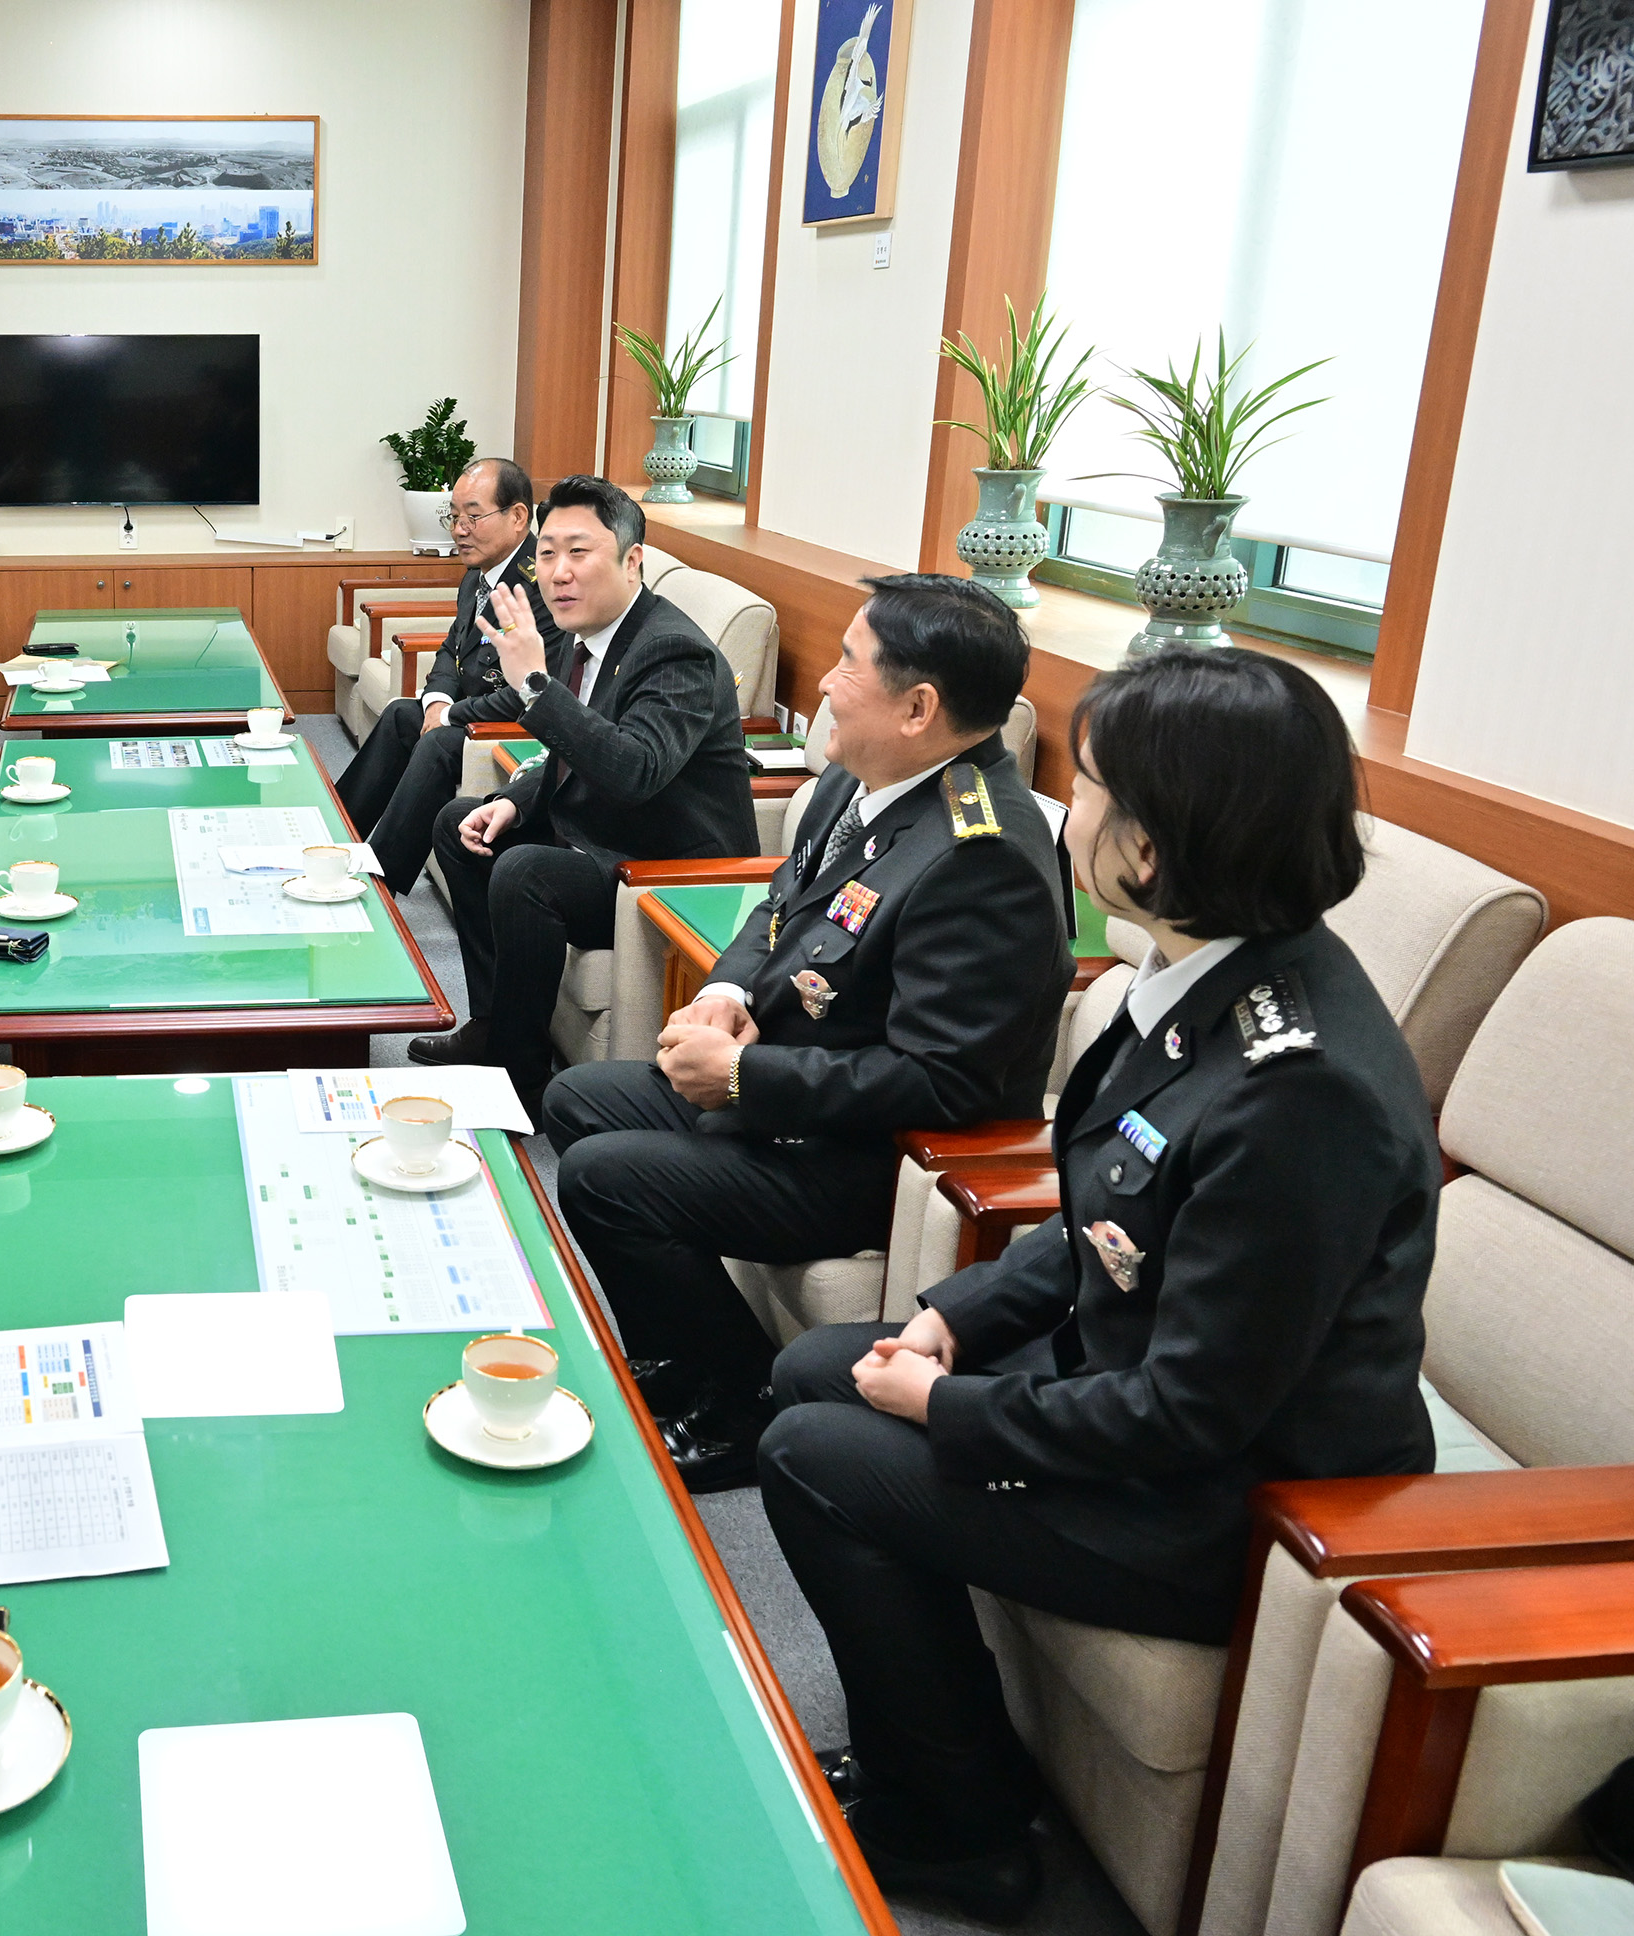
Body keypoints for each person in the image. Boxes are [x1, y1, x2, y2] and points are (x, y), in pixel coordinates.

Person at [757, 648, 1437, 1920]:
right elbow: (1100, 1229)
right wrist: (951, 1322)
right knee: (813, 1365)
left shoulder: (1303, 1091)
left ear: (1157, 847)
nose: (1066, 809)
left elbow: (1194, 1415)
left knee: (808, 1450)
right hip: (1128, 1389)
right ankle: (940, 1742)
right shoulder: (1196, 981)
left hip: (1228, 1504)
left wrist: (945, 1411)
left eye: (1096, 786)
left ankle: (961, 1828)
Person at [542, 573, 1070, 1490]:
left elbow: (945, 1085)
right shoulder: (856, 779)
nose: (823, 682)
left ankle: (745, 1404)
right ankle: (682, 1359)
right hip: (789, 1080)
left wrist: (747, 1077)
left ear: (918, 707)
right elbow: (778, 907)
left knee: (603, 1180)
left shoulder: (981, 856)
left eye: (849, 665)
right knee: (578, 1096)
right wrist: (727, 992)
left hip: (869, 1157)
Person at [410, 474, 757, 1103]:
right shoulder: (583, 636)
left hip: (661, 867)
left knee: (524, 873)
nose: (558, 572)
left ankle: (516, 1082)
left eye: (579, 551)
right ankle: (493, 1026)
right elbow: (568, 751)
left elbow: (633, 770)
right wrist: (514, 800)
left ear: (632, 560)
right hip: (599, 833)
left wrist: (537, 686)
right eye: (546, 553)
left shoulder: (674, 651)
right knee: (461, 824)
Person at [332, 457, 556, 894]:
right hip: (469, 712)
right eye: (453, 516)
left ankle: (379, 878)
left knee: (438, 741)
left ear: (517, 517)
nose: (458, 529)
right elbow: (452, 649)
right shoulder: (478, 575)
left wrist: (451, 716)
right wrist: (437, 701)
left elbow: (531, 691)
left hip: (516, 724)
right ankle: (333, 841)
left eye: (473, 516)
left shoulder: (542, 586)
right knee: (403, 715)